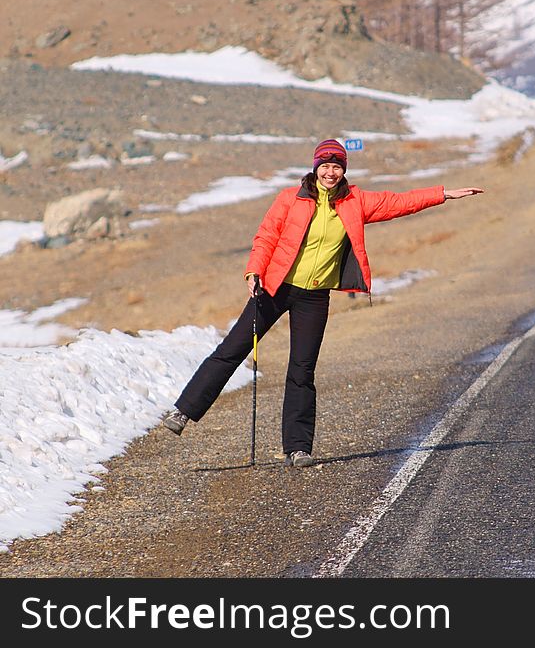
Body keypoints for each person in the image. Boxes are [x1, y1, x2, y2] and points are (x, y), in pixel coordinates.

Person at [161, 138, 483, 467]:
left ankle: (298, 448)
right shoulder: (291, 199)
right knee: (232, 350)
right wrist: (254, 271)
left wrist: (443, 194)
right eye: (325, 166)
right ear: (315, 168)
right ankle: (183, 412)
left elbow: (399, 201)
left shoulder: (355, 201)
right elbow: (267, 236)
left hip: (314, 297)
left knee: (302, 369)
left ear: (344, 170)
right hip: (274, 288)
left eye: (337, 166)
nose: (331, 172)